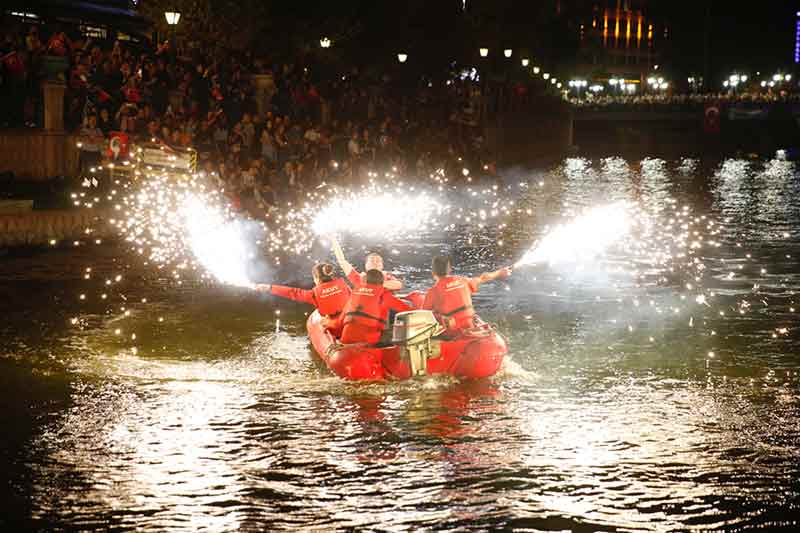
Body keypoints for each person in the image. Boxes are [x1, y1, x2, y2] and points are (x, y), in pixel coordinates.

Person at [422, 256, 512, 335]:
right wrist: (500, 272)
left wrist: (440, 318)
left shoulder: (433, 292)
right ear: (450, 269)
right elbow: (483, 278)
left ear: (433, 272)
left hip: (452, 332)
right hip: (470, 325)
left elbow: (422, 317)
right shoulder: (464, 281)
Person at [254, 263, 350, 336]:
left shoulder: (314, 294)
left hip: (338, 327)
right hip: (350, 322)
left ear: (316, 278)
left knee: (322, 321)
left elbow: (293, 292)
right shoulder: (343, 284)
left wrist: (269, 287)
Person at [336, 269, 412, 345]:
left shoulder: (355, 293)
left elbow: (341, 319)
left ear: (365, 280)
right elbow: (409, 310)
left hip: (346, 339)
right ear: (382, 282)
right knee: (397, 332)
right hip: (370, 341)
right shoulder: (385, 295)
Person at [330, 235, 403, 291]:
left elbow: (399, 285)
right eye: (371, 260)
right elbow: (342, 261)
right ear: (366, 265)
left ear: (382, 266)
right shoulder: (358, 278)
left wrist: (375, 283)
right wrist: (334, 241)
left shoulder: (387, 277)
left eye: (378, 261)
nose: (375, 262)